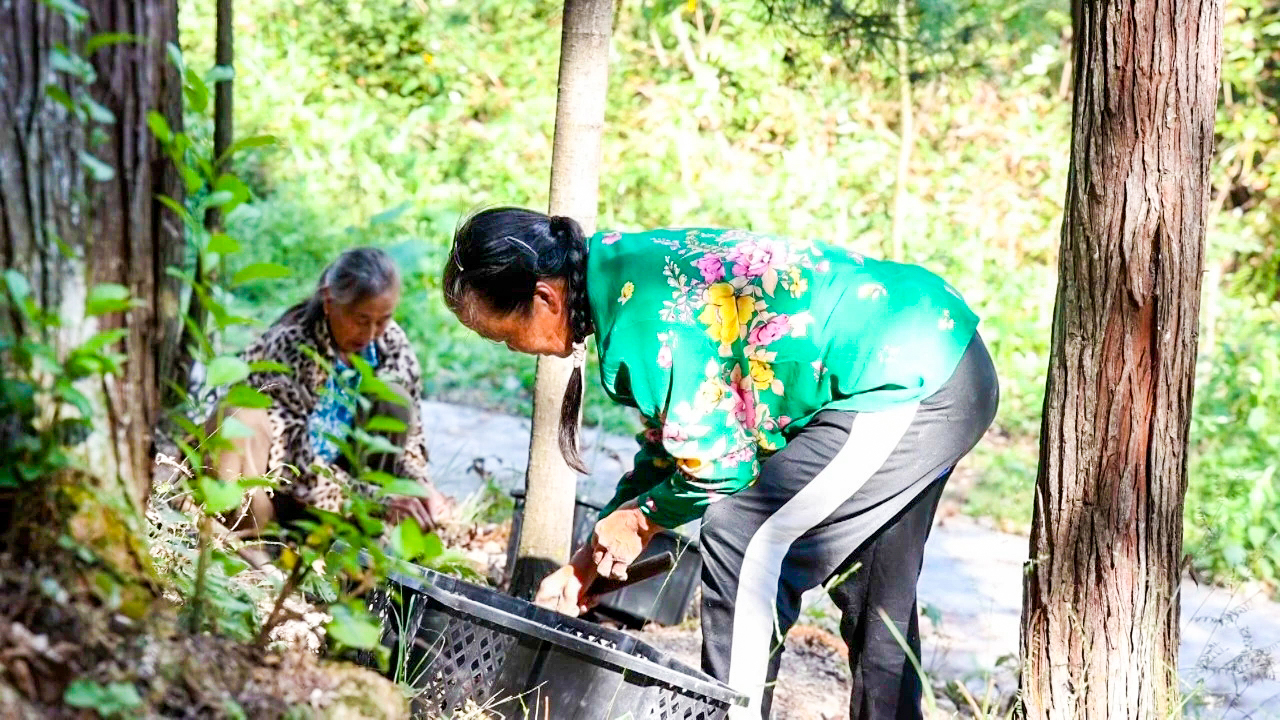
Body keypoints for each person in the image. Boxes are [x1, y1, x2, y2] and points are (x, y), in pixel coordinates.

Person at [443, 208, 999, 719]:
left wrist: (640, 520)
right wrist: (588, 562)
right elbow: (675, 444)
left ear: (544, 298)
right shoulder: (620, 275)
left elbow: (717, 468)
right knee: (871, 582)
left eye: (502, 335)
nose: (513, 350)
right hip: (939, 354)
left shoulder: (643, 317)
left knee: (745, 536)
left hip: (904, 378)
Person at [210, 247, 451, 537]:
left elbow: (411, 439)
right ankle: (253, 539)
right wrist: (377, 500)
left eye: (383, 319)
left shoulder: (391, 344)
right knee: (242, 415)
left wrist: (420, 486)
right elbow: (292, 466)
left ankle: (360, 535)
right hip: (280, 490)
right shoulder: (290, 346)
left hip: (348, 491)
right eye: (361, 320)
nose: (372, 333)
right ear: (328, 300)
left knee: (394, 400)